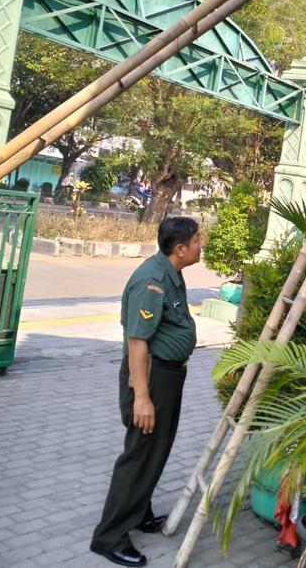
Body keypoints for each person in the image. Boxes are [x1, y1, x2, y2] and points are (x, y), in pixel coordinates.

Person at [90, 217, 203, 567]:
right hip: (151, 378)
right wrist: (142, 397)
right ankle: (109, 536)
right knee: (140, 453)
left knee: (154, 450)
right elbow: (137, 341)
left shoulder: (171, 271)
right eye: (199, 240)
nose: (203, 246)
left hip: (166, 377)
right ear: (180, 248)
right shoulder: (152, 281)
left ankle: (139, 512)